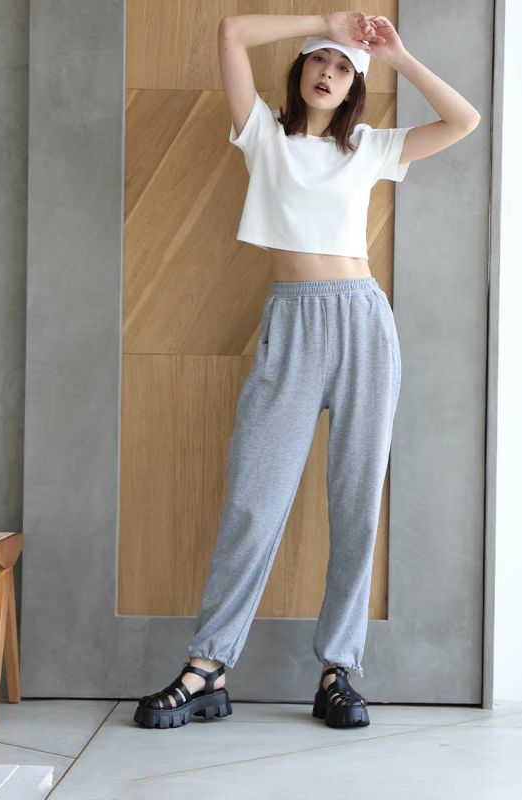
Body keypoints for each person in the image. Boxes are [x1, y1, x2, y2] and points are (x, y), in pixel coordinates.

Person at [134, 9, 481, 731]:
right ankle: (208, 666)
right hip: (291, 325)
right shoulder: (262, 135)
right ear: (300, 69)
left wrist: (399, 57)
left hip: (362, 323)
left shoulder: (371, 148)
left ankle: (338, 671)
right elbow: (230, 33)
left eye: (344, 67)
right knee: (253, 499)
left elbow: (464, 120)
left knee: (357, 503)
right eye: (321, 60)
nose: (329, 73)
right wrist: (327, 21)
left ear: (356, 86)